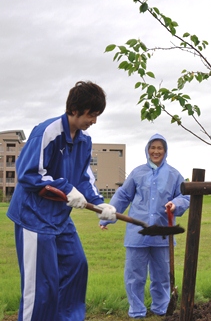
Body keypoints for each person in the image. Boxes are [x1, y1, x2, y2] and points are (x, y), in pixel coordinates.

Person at [7, 81, 117, 321]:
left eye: (97, 115)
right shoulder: (47, 132)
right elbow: (28, 173)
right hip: (33, 217)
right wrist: (66, 188)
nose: (94, 121)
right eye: (92, 114)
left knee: (77, 266)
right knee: (39, 287)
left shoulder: (84, 142)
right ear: (75, 109)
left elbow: (84, 179)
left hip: (59, 219)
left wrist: (100, 205)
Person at [100, 133, 190, 318]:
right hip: (137, 232)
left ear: (165, 151)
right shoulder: (137, 172)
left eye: (160, 148)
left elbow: (185, 196)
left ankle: (162, 307)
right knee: (134, 274)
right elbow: (123, 196)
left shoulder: (174, 174)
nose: (156, 151)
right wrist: (106, 217)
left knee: (162, 274)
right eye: (153, 147)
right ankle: (137, 309)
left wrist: (176, 204)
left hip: (162, 232)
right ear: (147, 150)